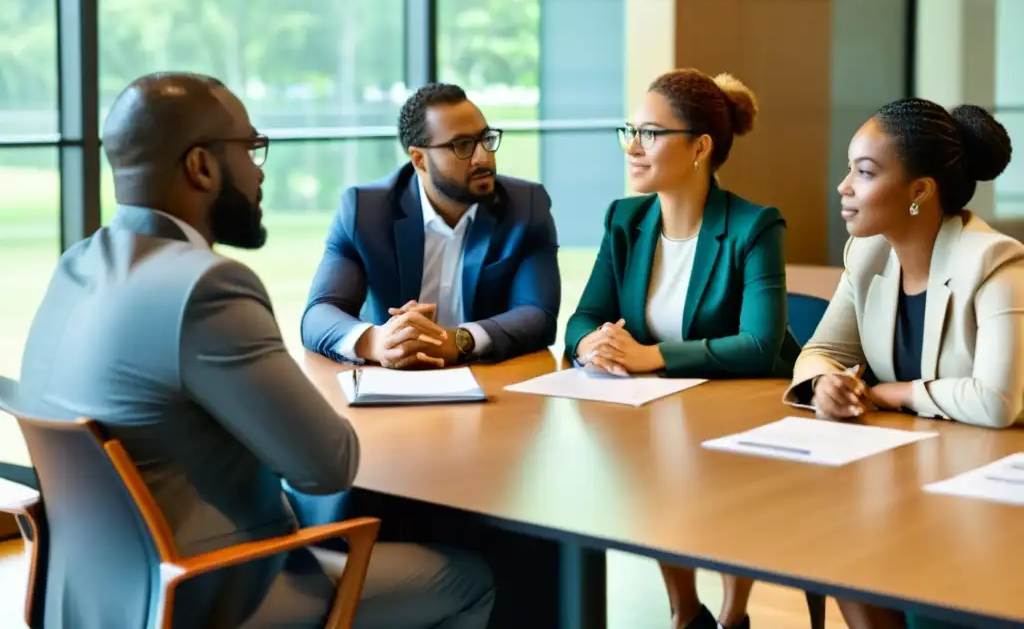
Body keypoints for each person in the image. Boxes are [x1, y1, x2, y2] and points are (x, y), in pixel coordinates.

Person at [17, 72, 495, 629]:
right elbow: (327, 467)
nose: (260, 171)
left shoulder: (76, 265)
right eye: (252, 148)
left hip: (94, 595)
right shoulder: (206, 287)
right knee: (466, 579)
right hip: (213, 592)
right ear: (201, 167)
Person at [564, 68, 797, 629]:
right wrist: (592, 344)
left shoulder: (753, 226)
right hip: (661, 413)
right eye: (630, 131)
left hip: (746, 413)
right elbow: (581, 318)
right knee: (646, 460)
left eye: (650, 133)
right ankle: (684, 610)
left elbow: (762, 346)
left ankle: (735, 613)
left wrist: (653, 356)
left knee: (698, 465)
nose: (633, 147)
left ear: (700, 147)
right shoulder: (625, 220)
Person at [785, 98, 1024, 629]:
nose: (844, 186)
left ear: (920, 191)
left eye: (865, 173)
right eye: (849, 169)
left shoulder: (996, 263)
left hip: (993, 492)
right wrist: (826, 384)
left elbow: (996, 400)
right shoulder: (869, 256)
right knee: (832, 540)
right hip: (915, 478)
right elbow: (820, 352)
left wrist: (892, 393)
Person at [301, 82, 560, 368]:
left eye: (486, 139)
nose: (483, 157)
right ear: (419, 160)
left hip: (489, 383)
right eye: (462, 145)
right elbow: (318, 314)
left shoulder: (526, 206)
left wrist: (458, 341)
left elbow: (538, 314)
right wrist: (378, 341)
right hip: (393, 383)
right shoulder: (365, 212)